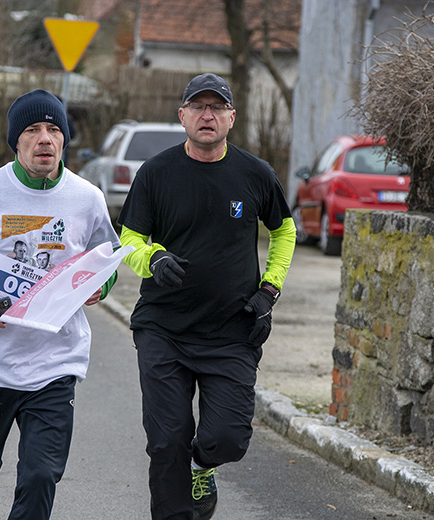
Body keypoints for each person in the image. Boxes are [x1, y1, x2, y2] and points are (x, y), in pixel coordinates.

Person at [0, 88, 120, 520]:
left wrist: (99, 287)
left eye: (53, 129)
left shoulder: (86, 198)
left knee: (38, 477)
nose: (44, 139)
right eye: (32, 130)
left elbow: (108, 259)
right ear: (16, 141)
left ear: (65, 139)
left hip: (54, 363)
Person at [117, 73, 297, 520]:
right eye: (198, 106)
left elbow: (285, 231)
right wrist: (153, 258)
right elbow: (129, 239)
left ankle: (202, 466)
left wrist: (270, 288)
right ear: (182, 116)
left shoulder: (255, 174)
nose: (207, 115)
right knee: (167, 440)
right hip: (164, 329)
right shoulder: (156, 173)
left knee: (228, 438)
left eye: (217, 107)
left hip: (232, 330)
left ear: (232, 118)